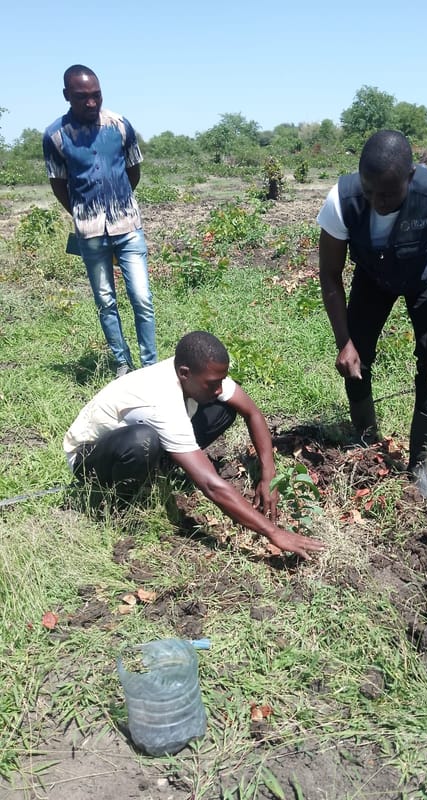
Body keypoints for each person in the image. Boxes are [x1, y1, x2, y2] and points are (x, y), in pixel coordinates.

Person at [63, 330, 326, 560]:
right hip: (91, 459)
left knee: (224, 407)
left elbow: (252, 412)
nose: (219, 387)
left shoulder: (200, 372)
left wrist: (269, 476)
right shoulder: (161, 401)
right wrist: (274, 533)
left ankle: (161, 467)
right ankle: (118, 508)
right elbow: (210, 485)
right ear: (184, 373)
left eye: (221, 380)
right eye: (212, 383)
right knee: (142, 441)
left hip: (142, 440)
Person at [317, 130, 427, 499]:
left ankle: (419, 464)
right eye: (369, 191)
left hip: (426, 277)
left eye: (387, 194)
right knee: (356, 356)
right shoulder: (341, 200)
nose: (377, 202)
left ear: (410, 177)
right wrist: (344, 342)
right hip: (373, 277)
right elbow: (330, 273)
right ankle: (366, 442)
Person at [43, 64, 157, 376]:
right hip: (90, 233)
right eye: (82, 97)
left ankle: (149, 367)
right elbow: (58, 184)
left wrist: (118, 204)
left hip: (128, 227)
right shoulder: (55, 136)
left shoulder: (120, 125)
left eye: (97, 95)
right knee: (105, 300)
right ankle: (122, 363)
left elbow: (133, 171)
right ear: (67, 95)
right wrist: (84, 212)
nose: (91, 102)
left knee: (142, 298)